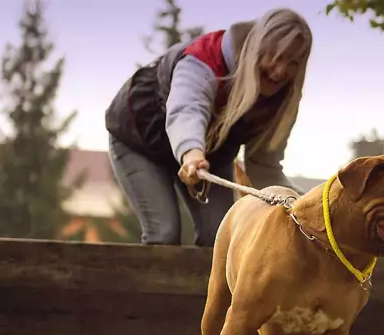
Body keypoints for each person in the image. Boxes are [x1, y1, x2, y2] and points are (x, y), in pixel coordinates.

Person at [104, 8, 312, 247]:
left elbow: (264, 168)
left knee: (220, 239)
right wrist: (192, 154)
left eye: (293, 62)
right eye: (274, 56)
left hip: (209, 157)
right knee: (164, 233)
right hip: (140, 140)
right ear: (256, 47)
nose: (280, 70)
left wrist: (307, 204)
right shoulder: (204, 59)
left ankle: (200, 286)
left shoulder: (282, 99)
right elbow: (187, 109)